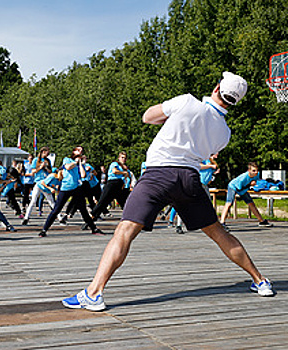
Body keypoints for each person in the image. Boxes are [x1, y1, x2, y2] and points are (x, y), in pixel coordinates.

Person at [61, 72, 274, 312]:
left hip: (158, 174)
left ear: (216, 87)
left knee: (124, 232)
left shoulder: (186, 101)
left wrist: (172, 119)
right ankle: (260, 281)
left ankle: (93, 293)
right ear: (236, 101)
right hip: (189, 180)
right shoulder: (224, 133)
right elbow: (204, 148)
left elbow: (147, 117)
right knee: (218, 232)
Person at [39, 146, 104, 237]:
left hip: (77, 188)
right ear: (73, 152)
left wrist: (81, 163)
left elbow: (83, 175)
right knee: (57, 209)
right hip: (66, 188)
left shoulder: (79, 163)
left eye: (81, 150)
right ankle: (44, 230)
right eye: (78, 150)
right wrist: (76, 162)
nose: (80, 151)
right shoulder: (67, 159)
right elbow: (68, 167)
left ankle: (94, 229)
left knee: (83, 210)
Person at [220, 162, 273, 230]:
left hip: (243, 188)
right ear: (249, 171)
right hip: (234, 186)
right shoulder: (243, 177)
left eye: (257, 170)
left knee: (251, 204)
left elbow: (255, 182)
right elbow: (239, 188)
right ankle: (222, 223)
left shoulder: (257, 174)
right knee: (229, 203)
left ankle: (261, 221)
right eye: (253, 171)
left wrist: (255, 184)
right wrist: (250, 185)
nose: (256, 172)